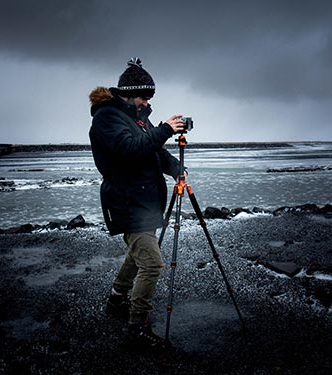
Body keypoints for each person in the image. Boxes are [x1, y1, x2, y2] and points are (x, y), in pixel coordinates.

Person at [88, 58, 185, 349]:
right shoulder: (108, 117)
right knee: (153, 264)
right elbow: (130, 149)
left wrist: (177, 170)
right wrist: (166, 129)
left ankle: (117, 300)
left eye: (150, 97)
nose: (147, 102)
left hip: (145, 201)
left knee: (139, 253)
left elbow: (153, 151)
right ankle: (137, 328)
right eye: (144, 96)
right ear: (128, 94)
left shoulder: (138, 118)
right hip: (127, 201)